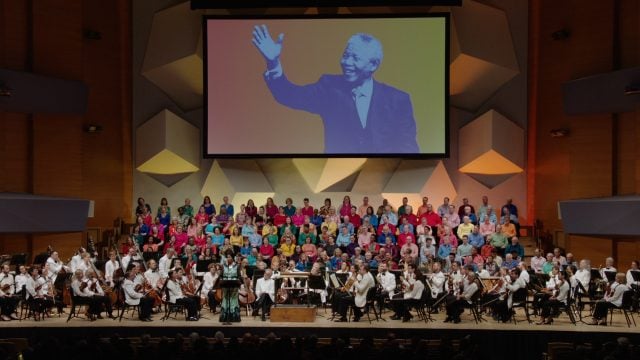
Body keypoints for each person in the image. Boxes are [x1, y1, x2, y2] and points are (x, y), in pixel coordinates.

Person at [253, 25, 419, 154]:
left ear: (373, 64)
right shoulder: (329, 88)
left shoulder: (398, 100)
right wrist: (273, 63)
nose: (347, 62)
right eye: (346, 55)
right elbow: (290, 95)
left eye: (355, 58)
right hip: (335, 173)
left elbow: (408, 147)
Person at [219, 253, 241, 323]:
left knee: (233, 300)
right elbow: (221, 275)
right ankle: (225, 318)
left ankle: (234, 318)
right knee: (225, 300)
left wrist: (238, 281)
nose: (228, 259)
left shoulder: (237, 266)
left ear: (233, 258)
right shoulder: (223, 266)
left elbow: (239, 276)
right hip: (225, 285)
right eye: (227, 257)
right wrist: (221, 280)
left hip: (234, 286)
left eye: (229, 257)